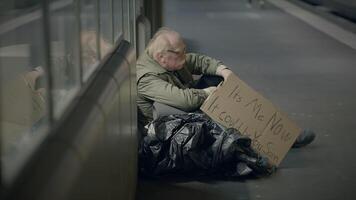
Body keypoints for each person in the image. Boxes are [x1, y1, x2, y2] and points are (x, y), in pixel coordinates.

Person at [136, 27, 315, 148]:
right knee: (219, 101)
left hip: (182, 113)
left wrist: (224, 71)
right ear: (161, 57)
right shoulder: (147, 78)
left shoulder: (167, 60)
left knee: (215, 79)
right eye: (179, 56)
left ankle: (279, 133)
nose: (184, 59)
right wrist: (208, 92)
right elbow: (185, 101)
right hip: (167, 131)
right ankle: (270, 140)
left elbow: (198, 60)